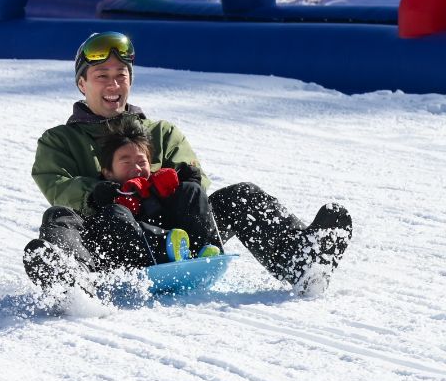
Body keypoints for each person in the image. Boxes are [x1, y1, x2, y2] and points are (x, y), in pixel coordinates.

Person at [26, 31, 353, 296]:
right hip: (115, 239)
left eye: (121, 75)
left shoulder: (161, 132)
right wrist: (97, 192)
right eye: (101, 76)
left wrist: (169, 182)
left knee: (242, 195)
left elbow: (195, 180)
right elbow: (57, 185)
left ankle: (304, 263)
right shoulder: (59, 140)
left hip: (185, 235)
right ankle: (71, 280)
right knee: (59, 216)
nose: (113, 85)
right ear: (82, 84)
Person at [87, 116, 221, 267]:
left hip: (181, 245)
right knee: (113, 213)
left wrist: (189, 181)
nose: (137, 168)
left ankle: (203, 250)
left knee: (190, 189)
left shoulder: (159, 186)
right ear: (108, 172)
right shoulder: (111, 195)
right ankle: (166, 246)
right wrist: (100, 198)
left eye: (141, 162)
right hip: (141, 259)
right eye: (126, 162)